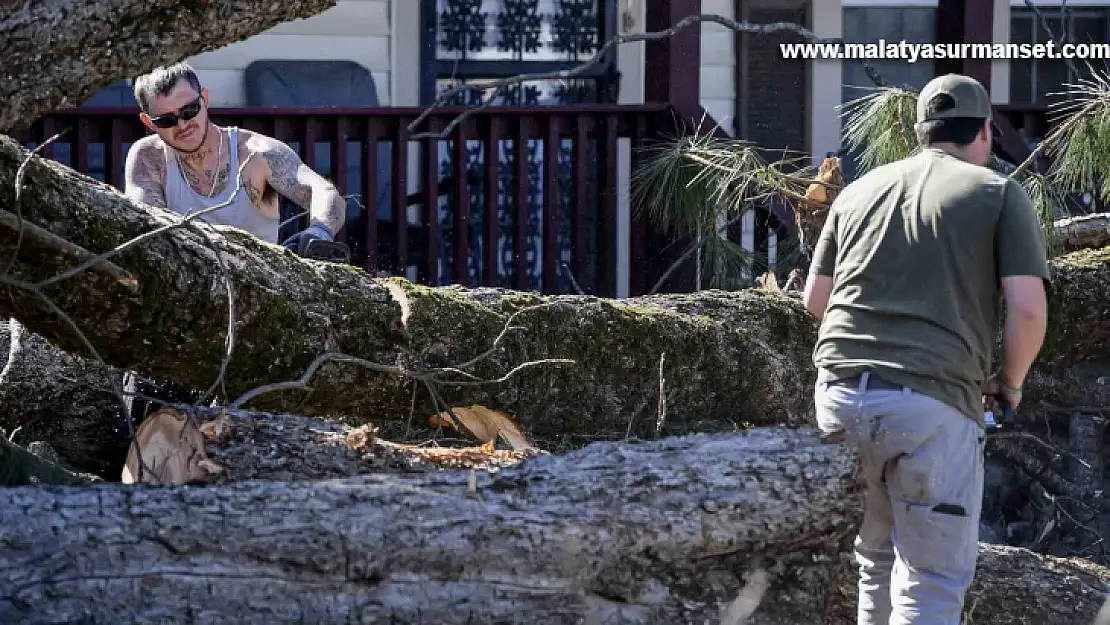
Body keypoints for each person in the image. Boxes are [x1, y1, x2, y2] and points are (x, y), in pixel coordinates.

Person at [803, 73, 1049, 625]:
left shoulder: (857, 191)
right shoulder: (997, 194)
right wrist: (1008, 383)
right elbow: (1029, 310)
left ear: (919, 133)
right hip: (931, 407)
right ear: (985, 132)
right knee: (930, 583)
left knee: (876, 566)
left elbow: (816, 300)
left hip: (838, 400)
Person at [119, 61, 347, 426]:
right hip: (179, 319)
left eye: (190, 110)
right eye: (166, 120)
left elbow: (322, 191)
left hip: (256, 318)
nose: (182, 124)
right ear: (149, 123)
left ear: (205, 100)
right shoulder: (148, 158)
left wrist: (319, 231)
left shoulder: (256, 153)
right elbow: (148, 223)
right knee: (145, 428)